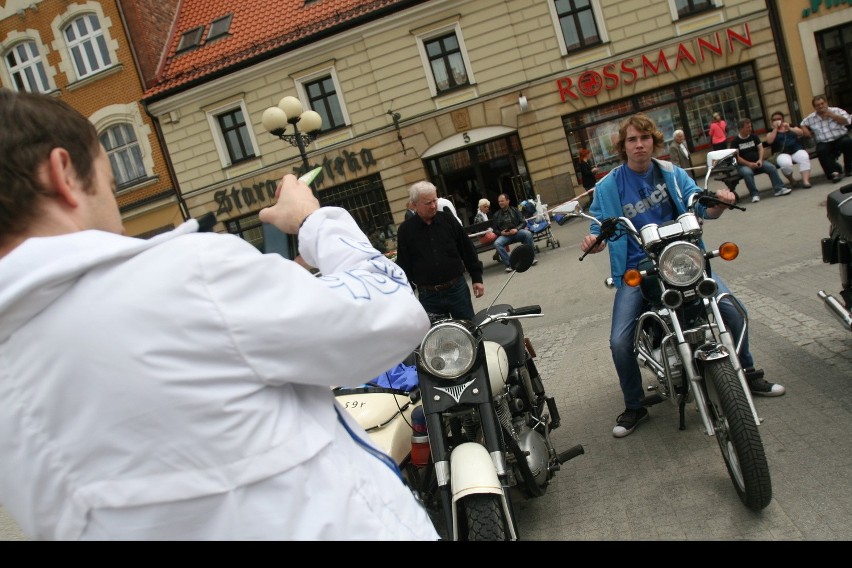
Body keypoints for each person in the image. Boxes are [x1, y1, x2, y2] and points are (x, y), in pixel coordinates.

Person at [0, 89, 439, 541]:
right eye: (110, 188)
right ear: (62, 174)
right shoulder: (186, 277)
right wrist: (312, 220)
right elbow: (393, 310)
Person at [579, 113, 785, 439]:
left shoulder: (672, 173)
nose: (639, 145)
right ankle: (635, 405)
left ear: (654, 141)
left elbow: (702, 207)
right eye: (632, 140)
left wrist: (721, 200)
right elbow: (598, 233)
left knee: (733, 311)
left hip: (684, 259)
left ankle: (747, 371)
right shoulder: (608, 187)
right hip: (638, 268)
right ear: (623, 146)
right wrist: (593, 242)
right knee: (620, 341)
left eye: (644, 138)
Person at [396, 181, 485, 320]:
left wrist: (477, 278)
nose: (433, 206)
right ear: (414, 204)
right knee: (439, 339)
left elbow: (467, 249)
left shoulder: (448, 220)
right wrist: (408, 296)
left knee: (469, 331)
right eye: (427, 203)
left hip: (457, 290)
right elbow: (404, 265)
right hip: (429, 296)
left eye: (434, 201)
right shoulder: (405, 231)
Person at [729, 117, 791, 203]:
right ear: (741, 129)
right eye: (747, 127)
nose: (750, 129)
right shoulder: (735, 141)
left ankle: (779, 188)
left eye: (750, 127)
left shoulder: (754, 137)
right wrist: (749, 164)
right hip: (743, 165)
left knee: (771, 167)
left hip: (758, 161)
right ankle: (754, 194)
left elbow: (761, 149)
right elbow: (736, 157)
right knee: (747, 173)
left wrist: (760, 160)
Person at [800, 94, 852, 183]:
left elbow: (847, 121)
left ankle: (849, 169)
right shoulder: (812, 118)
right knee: (821, 150)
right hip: (824, 142)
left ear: (826, 103)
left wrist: (833, 116)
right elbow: (802, 123)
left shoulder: (836, 110)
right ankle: (834, 173)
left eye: (822, 103)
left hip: (840, 137)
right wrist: (805, 129)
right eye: (818, 105)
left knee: (847, 142)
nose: (821, 106)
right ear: (814, 107)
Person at [492, 193, 538, 273]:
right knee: (497, 243)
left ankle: (530, 258)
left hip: (517, 232)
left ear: (508, 201)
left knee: (527, 234)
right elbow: (495, 230)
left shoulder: (515, 210)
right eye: (499, 201)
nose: (500, 203)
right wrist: (501, 233)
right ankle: (509, 264)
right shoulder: (496, 215)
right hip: (505, 236)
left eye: (502, 201)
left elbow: (523, 222)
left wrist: (517, 229)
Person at [766, 110, 812, 189]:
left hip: (796, 149)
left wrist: (790, 128)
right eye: (774, 119)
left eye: (779, 118)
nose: (777, 121)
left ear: (783, 119)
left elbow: (801, 133)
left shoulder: (790, 126)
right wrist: (775, 129)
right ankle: (792, 180)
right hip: (781, 153)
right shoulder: (771, 131)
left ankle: (806, 181)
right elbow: (769, 141)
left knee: (804, 157)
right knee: (786, 164)